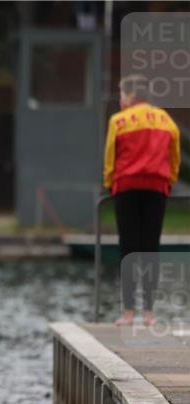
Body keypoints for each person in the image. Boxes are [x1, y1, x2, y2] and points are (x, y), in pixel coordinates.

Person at [104, 74, 181, 326]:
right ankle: (149, 313)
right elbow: (174, 156)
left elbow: (110, 157)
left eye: (121, 94)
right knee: (150, 248)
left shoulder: (119, 120)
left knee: (128, 248)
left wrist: (109, 183)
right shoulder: (165, 120)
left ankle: (128, 312)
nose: (120, 99)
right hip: (156, 188)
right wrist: (168, 181)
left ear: (130, 96)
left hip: (126, 187)